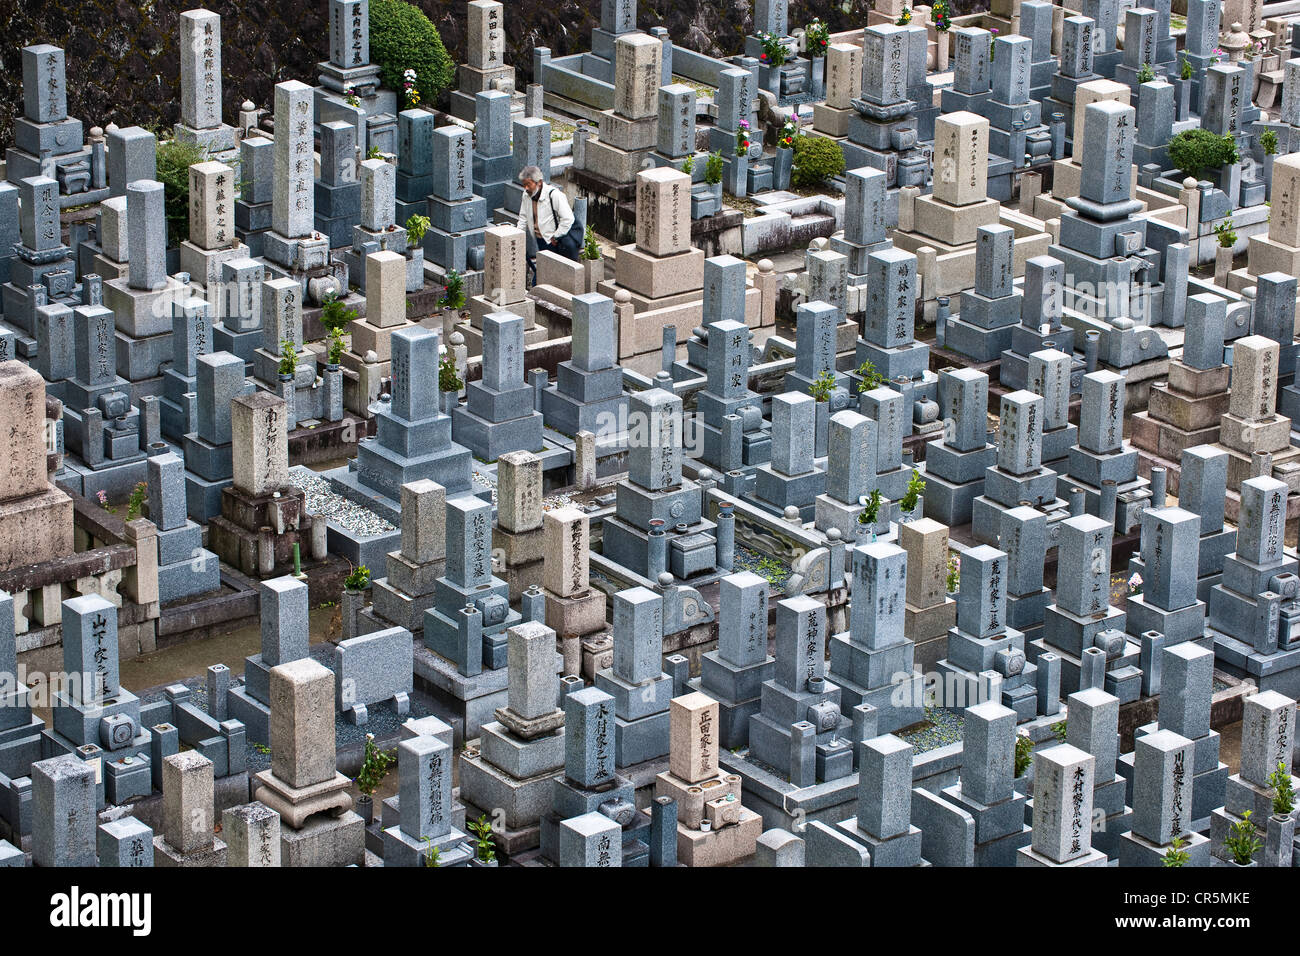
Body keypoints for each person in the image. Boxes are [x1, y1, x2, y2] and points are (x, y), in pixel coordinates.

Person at [516, 165, 581, 285]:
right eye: (523, 184)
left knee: (547, 272)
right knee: (547, 270)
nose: (526, 188)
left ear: (539, 182)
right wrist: (516, 235)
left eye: (528, 184)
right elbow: (523, 217)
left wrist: (555, 236)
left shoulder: (554, 195)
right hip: (540, 239)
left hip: (554, 241)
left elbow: (568, 218)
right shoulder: (526, 195)